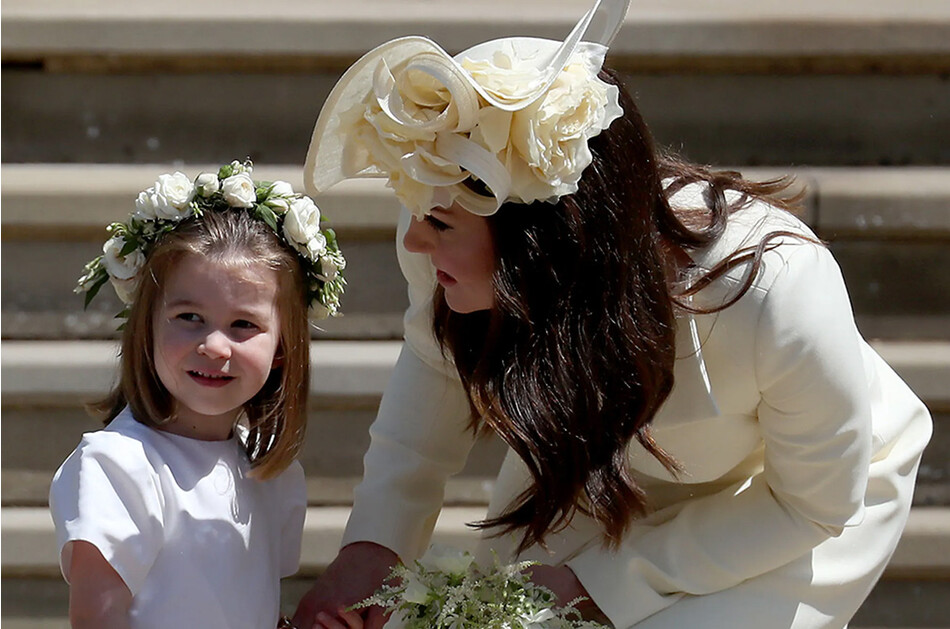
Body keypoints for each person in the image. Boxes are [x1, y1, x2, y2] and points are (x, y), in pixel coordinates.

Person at [294, 0, 934, 627]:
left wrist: (603, 580)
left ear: (544, 239)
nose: (413, 242)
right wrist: (373, 547)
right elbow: (435, 374)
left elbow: (814, 504)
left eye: (437, 223)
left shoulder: (773, 292)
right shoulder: (447, 219)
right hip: (598, 452)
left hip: (788, 500)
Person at [49, 161, 347, 629]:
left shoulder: (269, 473)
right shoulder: (119, 467)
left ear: (283, 349)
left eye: (244, 324)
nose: (213, 345)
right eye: (189, 316)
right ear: (146, 326)